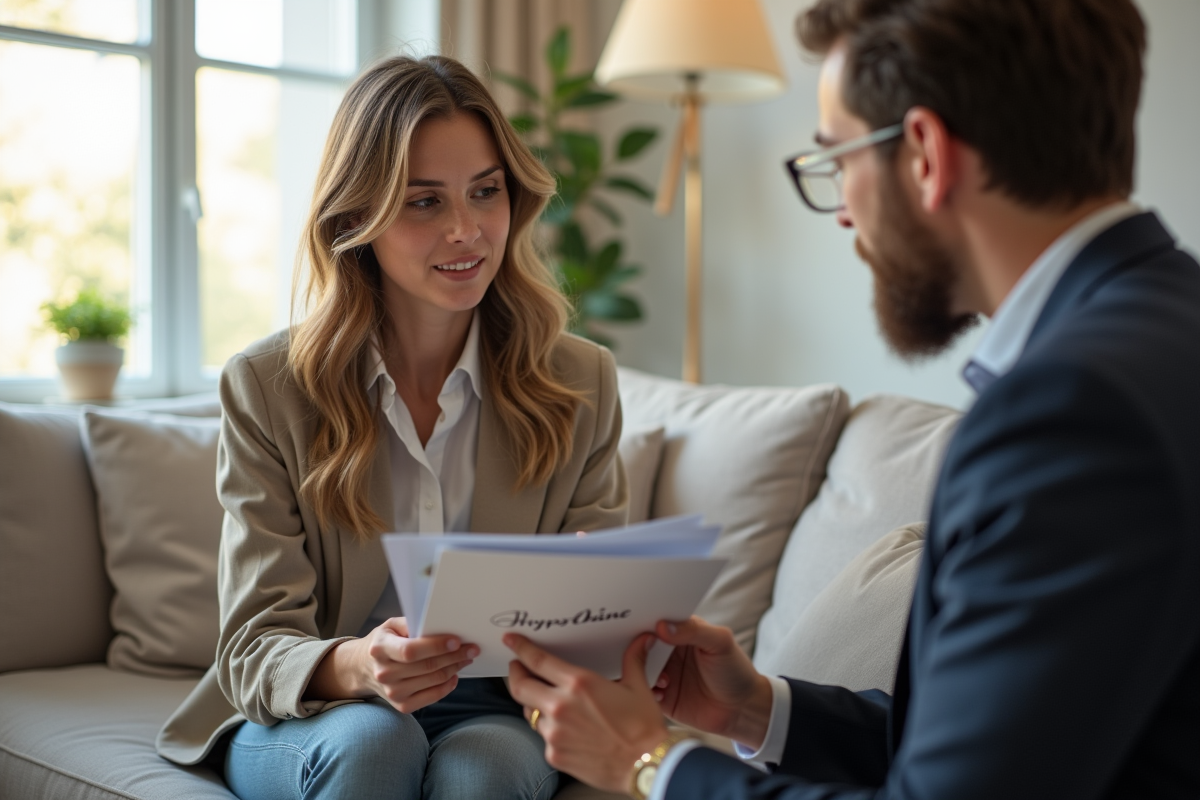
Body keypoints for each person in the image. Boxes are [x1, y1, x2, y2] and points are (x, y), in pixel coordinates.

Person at [502, 0, 1200, 798]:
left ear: (925, 154)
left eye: (836, 158)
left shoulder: (1068, 411)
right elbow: (1012, 745)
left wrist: (649, 762)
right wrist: (759, 708)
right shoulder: (1166, 325)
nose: (840, 211)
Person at [154, 55, 629, 800]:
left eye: (486, 191)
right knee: (376, 743)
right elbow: (253, 645)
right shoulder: (268, 386)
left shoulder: (580, 380)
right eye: (424, 202)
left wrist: (596, 617)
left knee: (486, 773)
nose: (467, 230)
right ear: (355, 219)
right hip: (320, 707)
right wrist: (360, 665)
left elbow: (604, 624)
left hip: (498, 708)